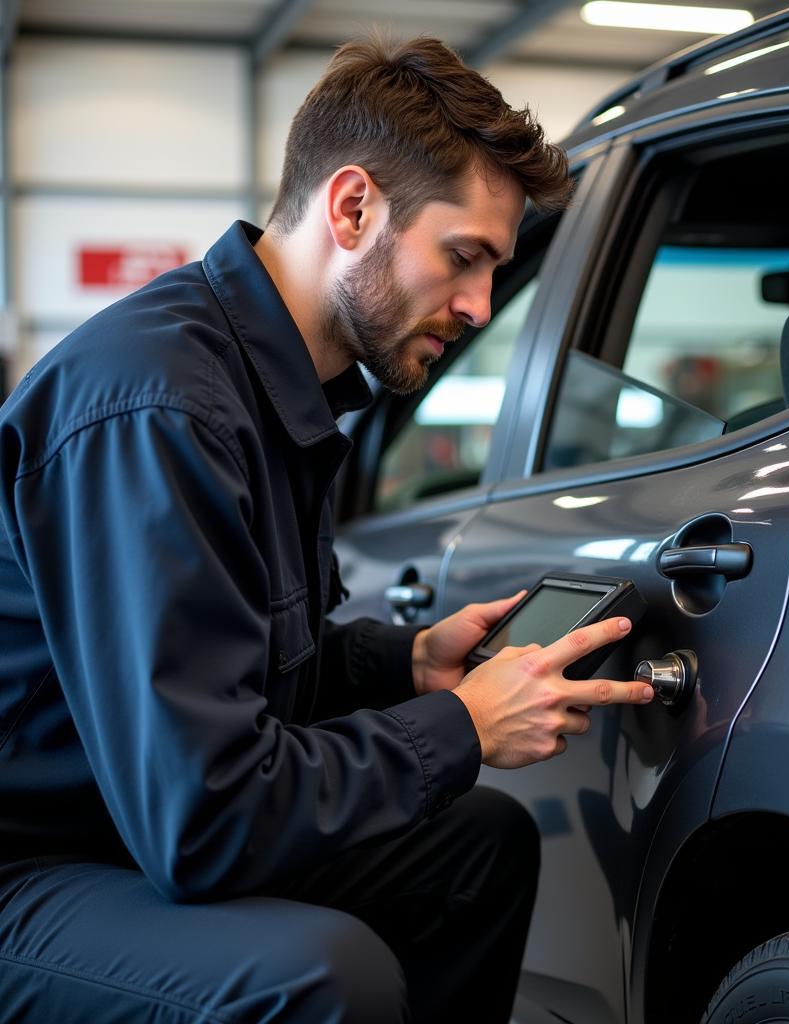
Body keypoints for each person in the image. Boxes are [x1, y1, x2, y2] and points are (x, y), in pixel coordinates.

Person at [0, 36, 655, 1024]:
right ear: (352, 208)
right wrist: (464, 725)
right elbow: (204, 820)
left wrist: (408, 667)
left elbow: (222, 665)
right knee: (315, 972)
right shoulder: (162, 406)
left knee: (476, 845)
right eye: (462, 257)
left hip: (123, 825)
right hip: (34, 866)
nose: (480, 306)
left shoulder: (269, 390)